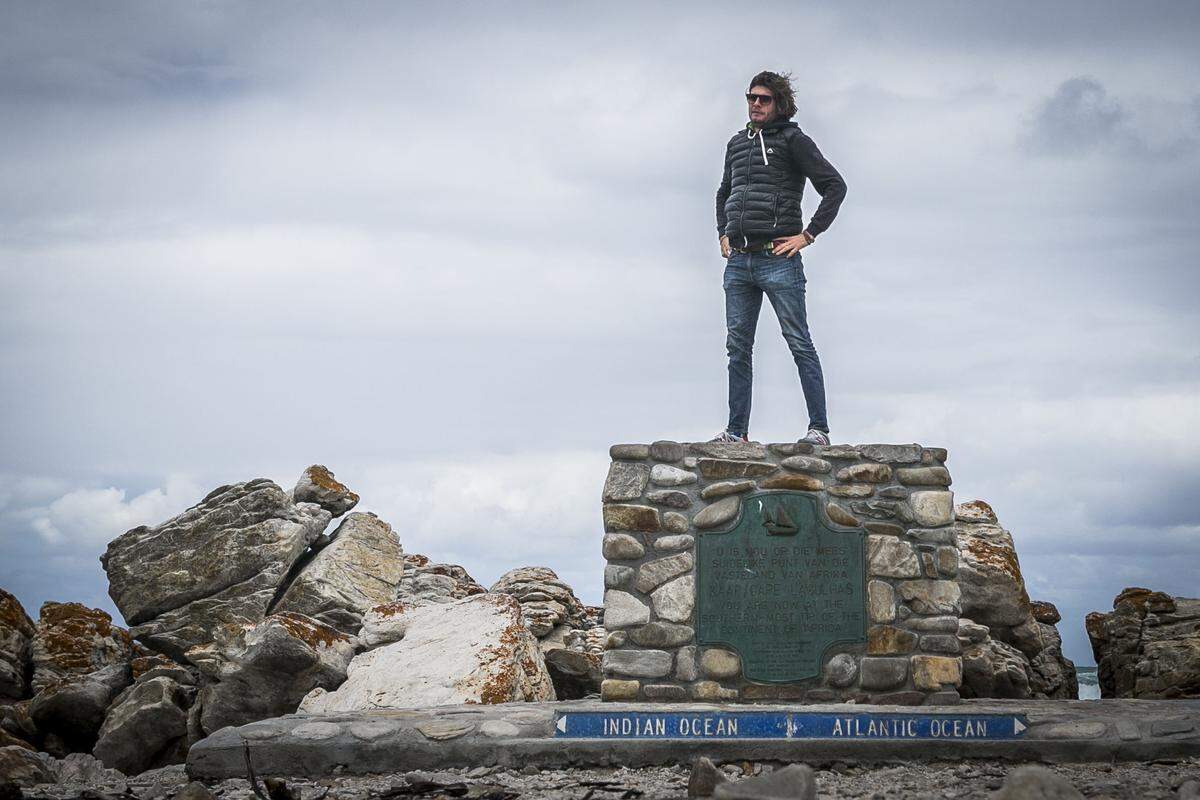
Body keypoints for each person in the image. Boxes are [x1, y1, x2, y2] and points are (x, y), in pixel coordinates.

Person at [711, 70, 847, 447]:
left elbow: (835, 186)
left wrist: (808, 235)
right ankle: (736, 432)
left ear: (779, 104)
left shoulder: (794, 141)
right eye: (751, 97)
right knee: (737, 347)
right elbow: (724, 192)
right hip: (738, 261)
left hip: (778, 259)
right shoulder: (737, 144)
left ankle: (818, 430)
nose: (755, 103)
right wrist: (722, 232)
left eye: (764, 99)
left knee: (798, 341)